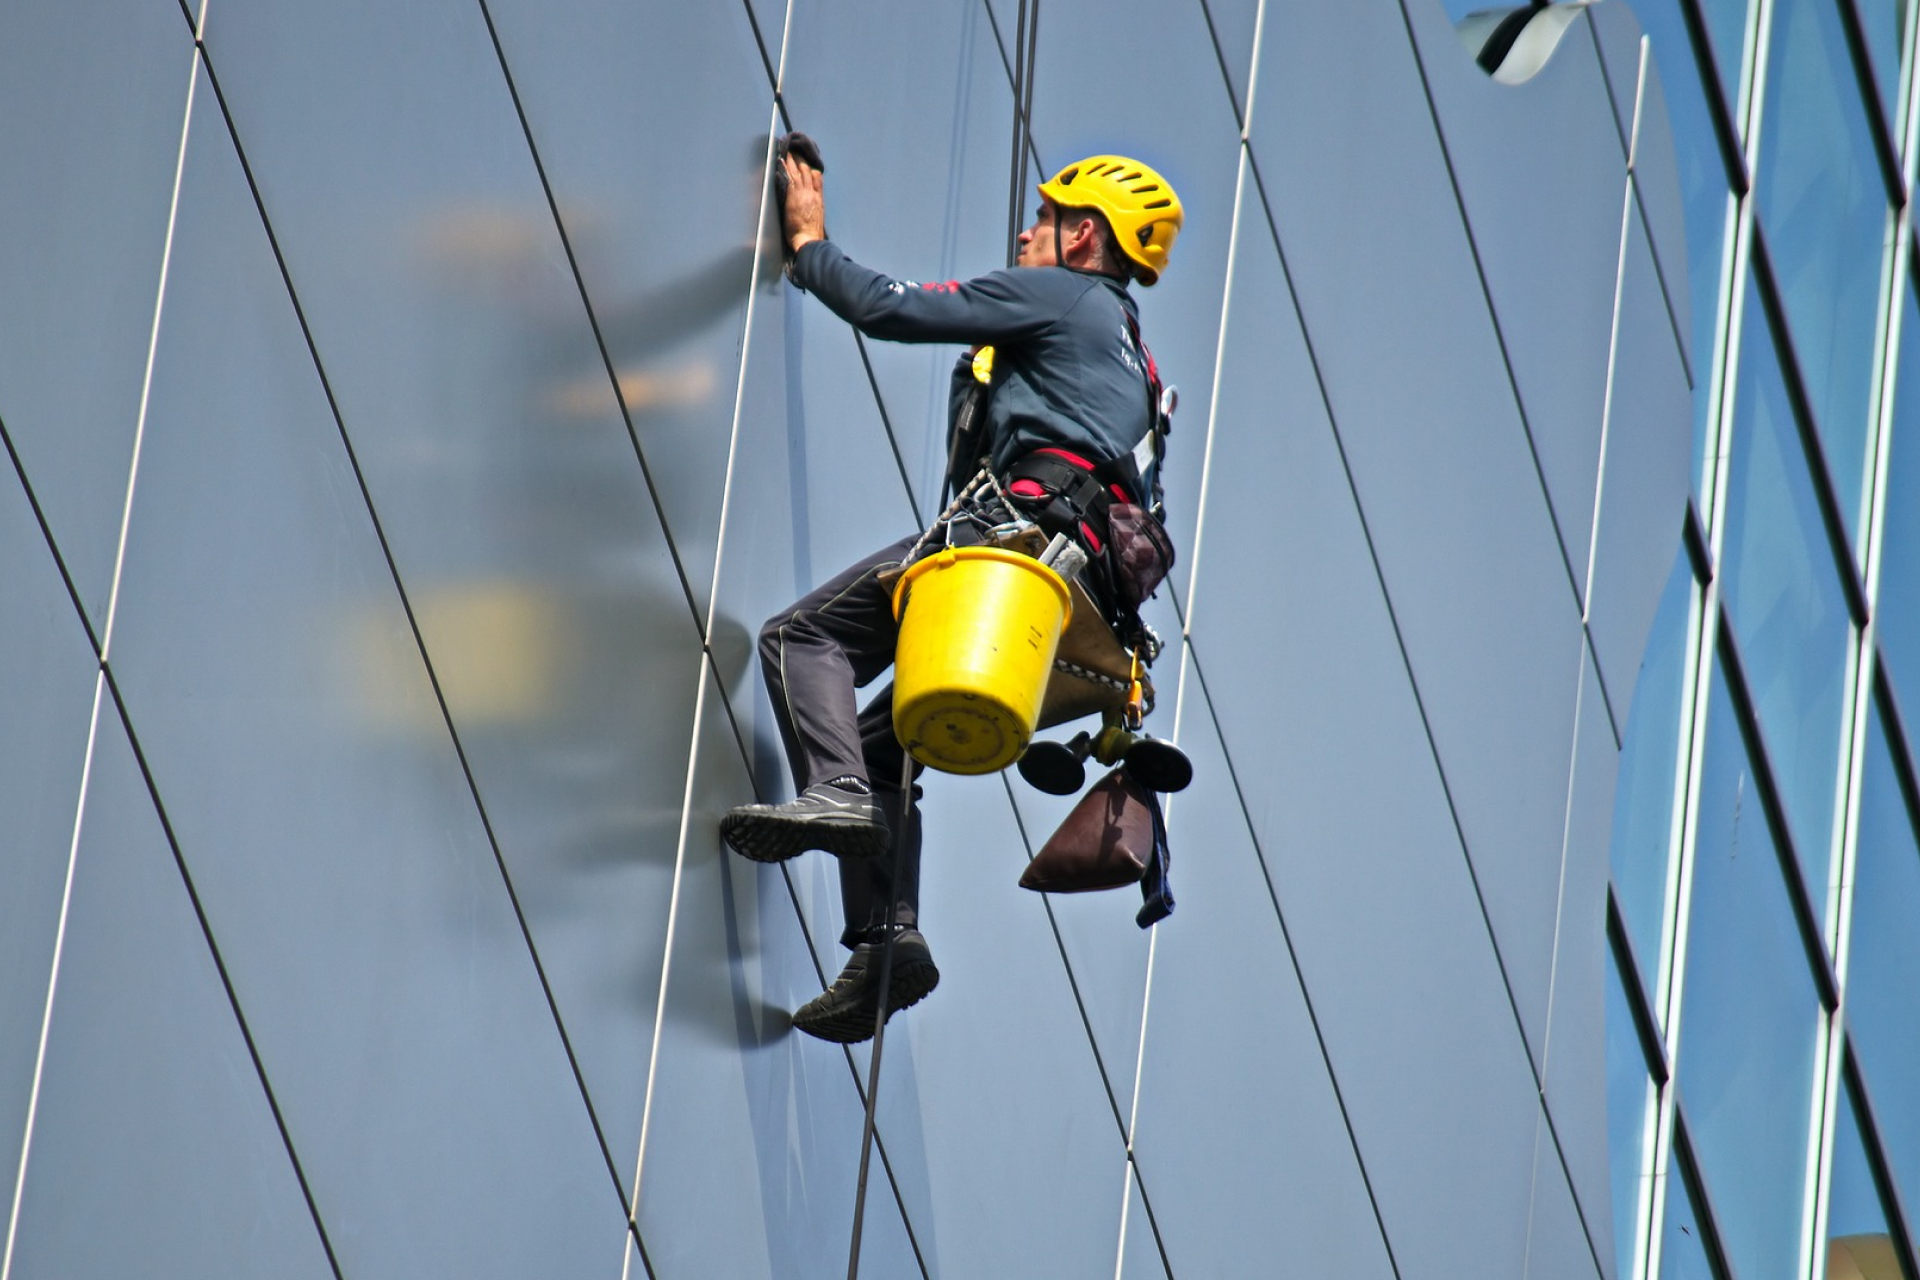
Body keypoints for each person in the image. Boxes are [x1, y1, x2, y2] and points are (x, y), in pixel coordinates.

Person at [721, 143, 1184, 1043]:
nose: (1025, 230)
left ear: (1085, 236)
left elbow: (890, 310)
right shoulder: (1136, 362)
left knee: (799, 640)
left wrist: (810, 245)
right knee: (882, 740)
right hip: (1079, 609)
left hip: (1013, 546)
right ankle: (887, 942)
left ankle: (838, 795)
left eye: (1045, 219)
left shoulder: (1066, 296)